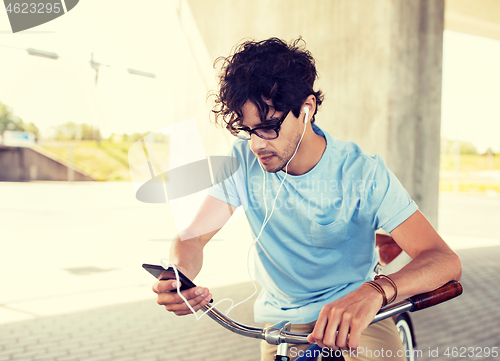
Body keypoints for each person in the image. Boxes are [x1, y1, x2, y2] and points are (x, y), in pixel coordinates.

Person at [152, 37, 462, 361]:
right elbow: (192, 238)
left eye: (269, 127)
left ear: (307, 109)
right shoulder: (243, 161)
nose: (257, 145)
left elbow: (445, 260)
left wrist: (376, 291)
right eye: (248, 130)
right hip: (283, 329)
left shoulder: (362, 172)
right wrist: (178, 273)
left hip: (357, 316)